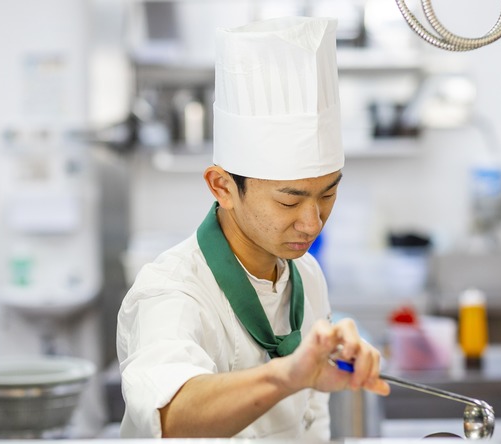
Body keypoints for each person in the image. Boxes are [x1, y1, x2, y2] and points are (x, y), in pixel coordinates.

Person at [116, 16, 390, 440]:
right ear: (222, 187)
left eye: (328, 193)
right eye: (289, 201)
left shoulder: (306, 276)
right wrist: (289, 374)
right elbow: (169, 415)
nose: (313, 222)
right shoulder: (172, 291)